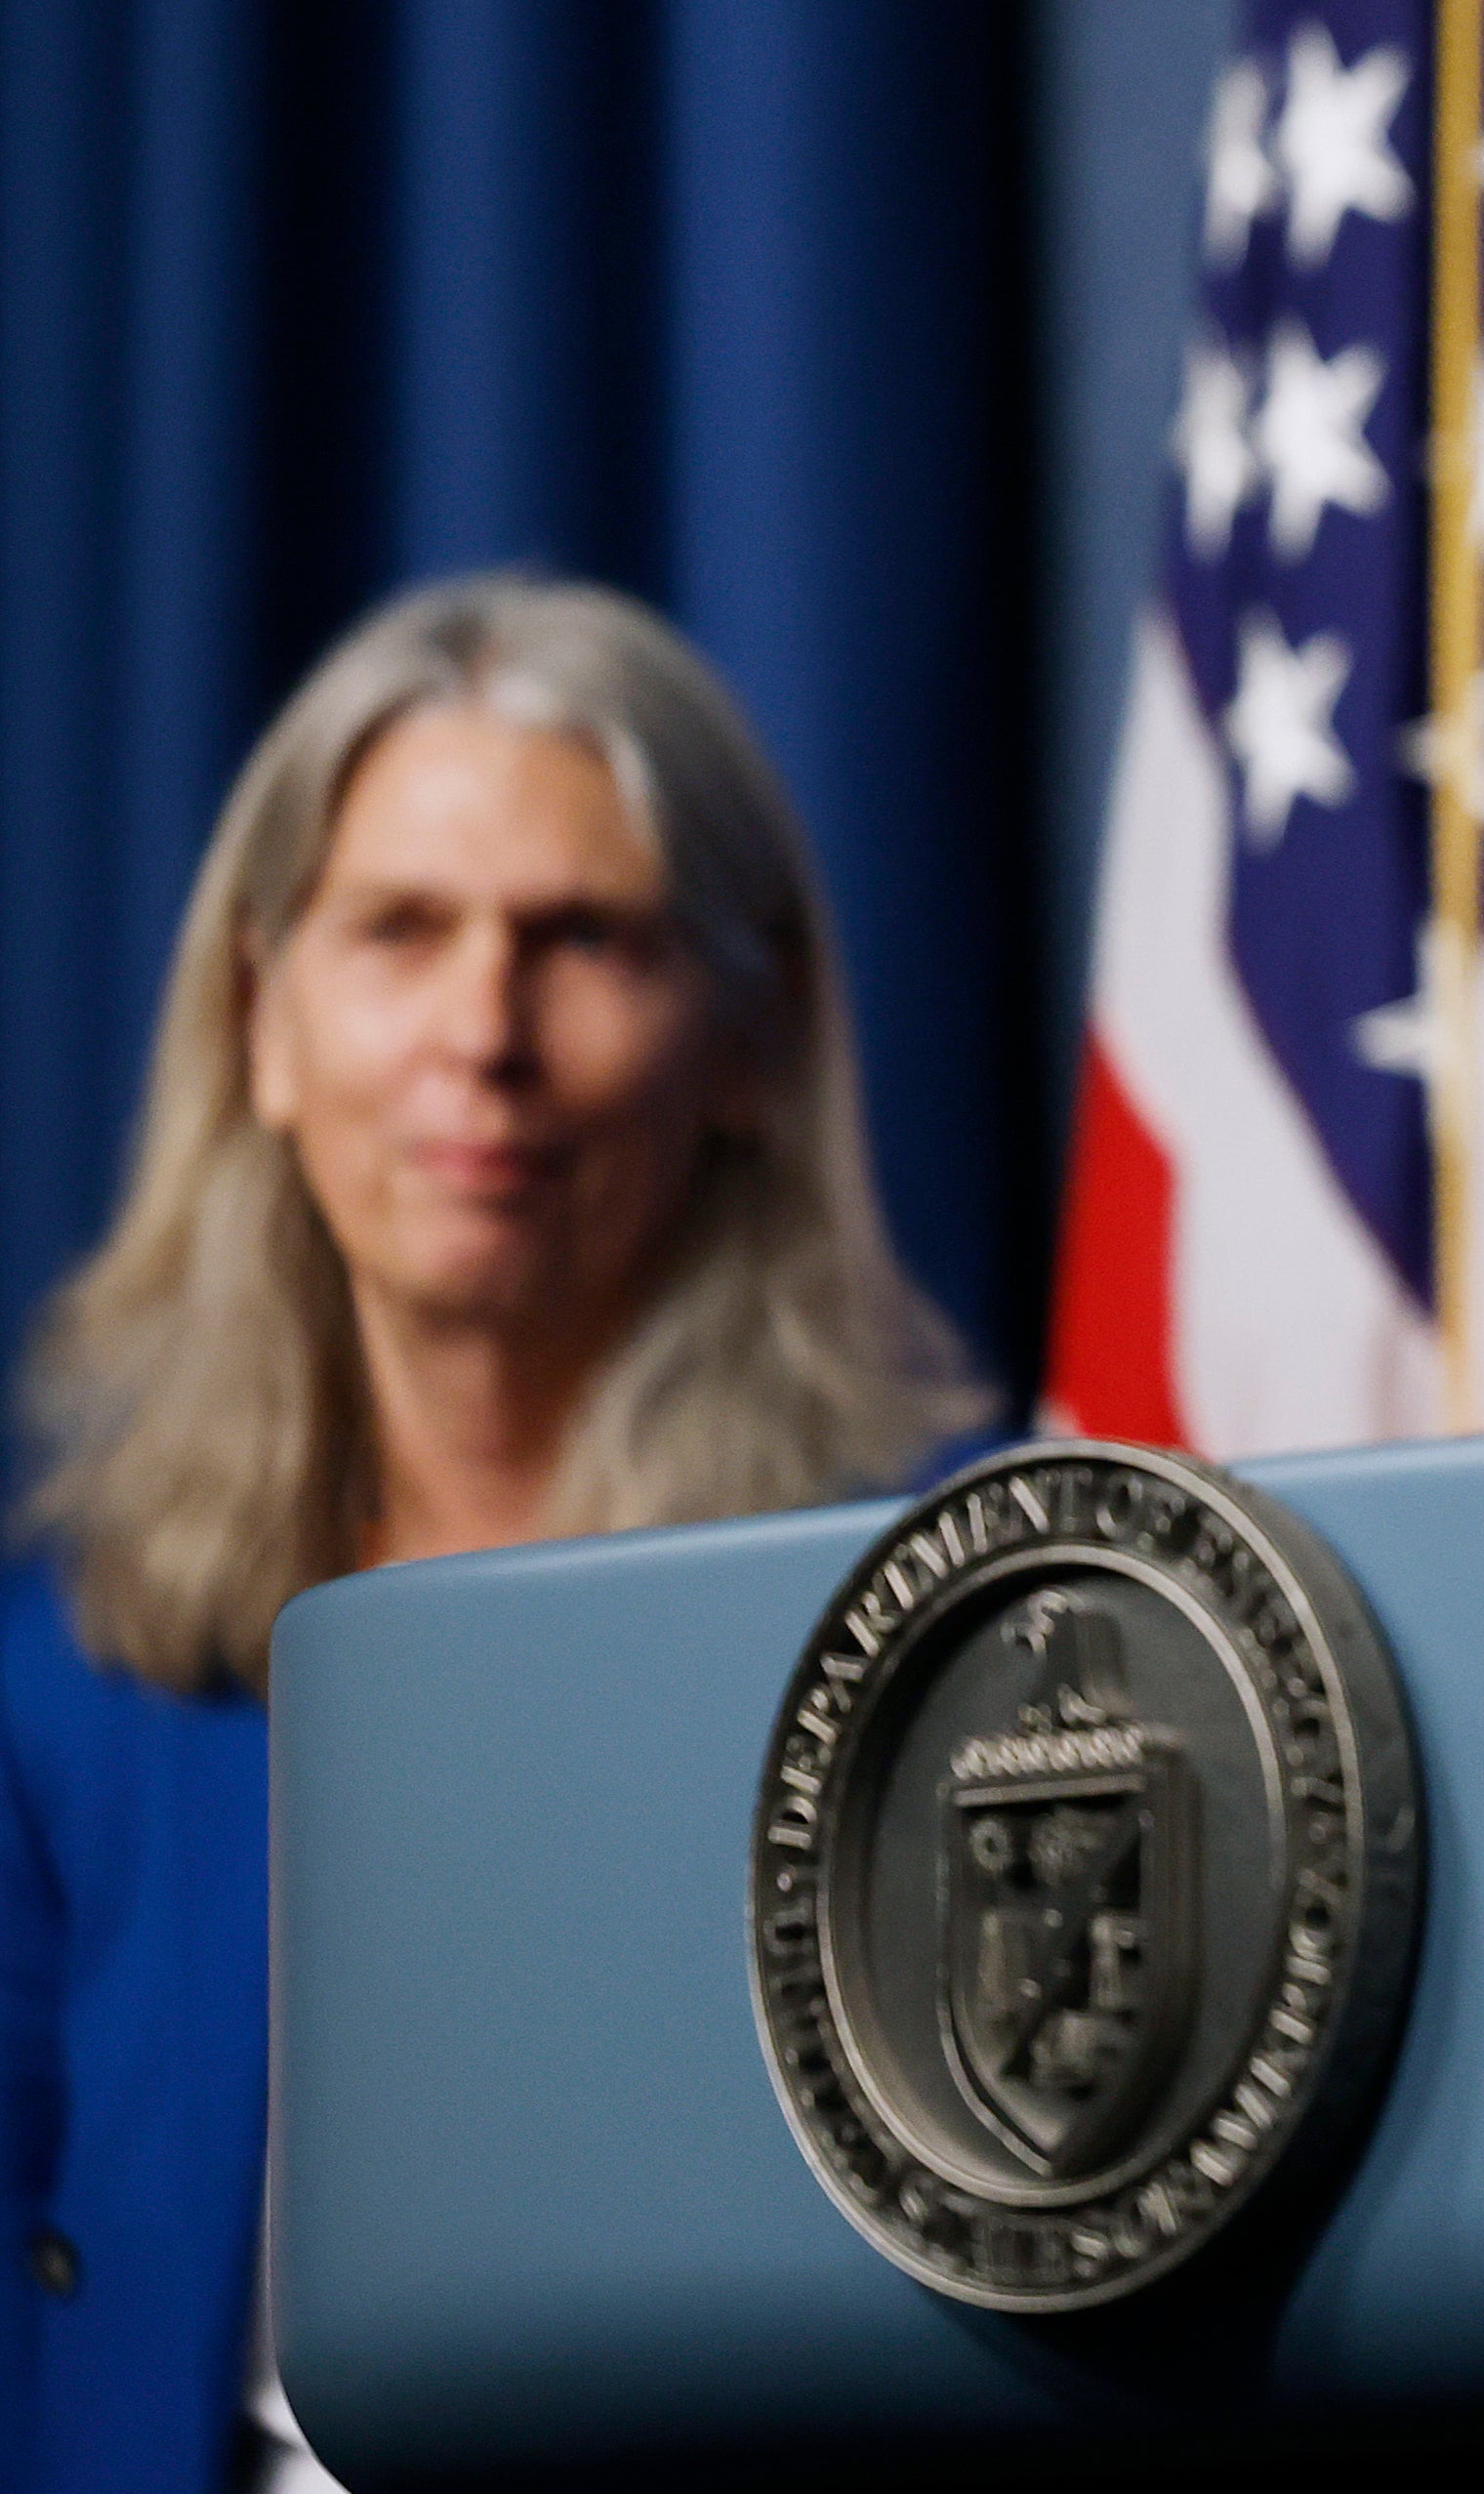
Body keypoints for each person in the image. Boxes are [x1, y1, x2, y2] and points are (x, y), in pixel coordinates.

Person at [0, 576, 984, 2493]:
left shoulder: (959, 1630)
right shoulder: (61, 1701)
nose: (483, 1032)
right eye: (399, 931)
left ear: (752, 1036)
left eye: (584, 938)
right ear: (262, 1025)